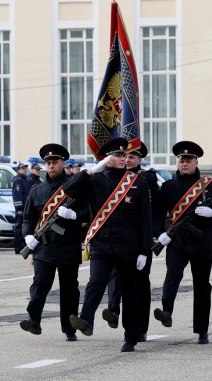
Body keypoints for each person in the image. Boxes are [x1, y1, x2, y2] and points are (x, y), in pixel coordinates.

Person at [64, 137, 152, 353]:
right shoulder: (96, 180)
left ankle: (131, 336)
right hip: (102, 244)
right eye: (117, 155)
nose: (122, 159)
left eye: (124, 155)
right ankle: (85, 319)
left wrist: (144, 251)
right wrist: (91, 170)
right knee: (95, 282)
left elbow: (145, 220)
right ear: (107, 159)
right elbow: (68, 191)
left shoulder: (138, 182)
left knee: (130, 292)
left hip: (128, 247)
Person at [153, 141, 212, 345]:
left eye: (188, 160)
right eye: (181, 160)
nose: (184, 163)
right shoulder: (169, 187)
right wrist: (160, 233)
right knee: (172, 276)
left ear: (196, 162)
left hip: (202, 243)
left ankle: (202, 330)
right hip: (177, 242)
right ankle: (166, 311)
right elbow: (155, 214)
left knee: (202, 286)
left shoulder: (210, 186)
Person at [19, 143, 88, 342]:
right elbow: (27, 218)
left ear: (63, 163)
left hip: (68, 246)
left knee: (69, 290)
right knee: (40, 285)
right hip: (44, 247)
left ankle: (69, 328)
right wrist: (27, 237)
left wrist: (74, 215)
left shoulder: (74, 187)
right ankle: (34, 320)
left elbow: (89, 212)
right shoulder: (36, 190)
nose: (51, 165)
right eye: (48, 162)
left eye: (55, 162)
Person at [102, 142, 159, 343]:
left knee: (140, 285)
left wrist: (156, 235)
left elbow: (154, 210)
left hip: (140, 240)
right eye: (124, 156)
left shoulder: (147, 179)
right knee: (114, 277)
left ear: (139, 159)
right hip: (118, 241)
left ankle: (140, 327)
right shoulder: (113, 178)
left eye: (132, 157)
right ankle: (114, 311)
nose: (127, 159)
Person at [12, 163, 30, 254]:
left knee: (24, 228)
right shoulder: (18, 180)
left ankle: (23, 246)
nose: (24, 170)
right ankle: (18, 247)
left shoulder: (24, 179)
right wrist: (19, 208)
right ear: (18, 170)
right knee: (19, 228)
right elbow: (17, 195)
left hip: (25, 208)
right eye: (22, 168)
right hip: (21, 209)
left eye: (25, 168)